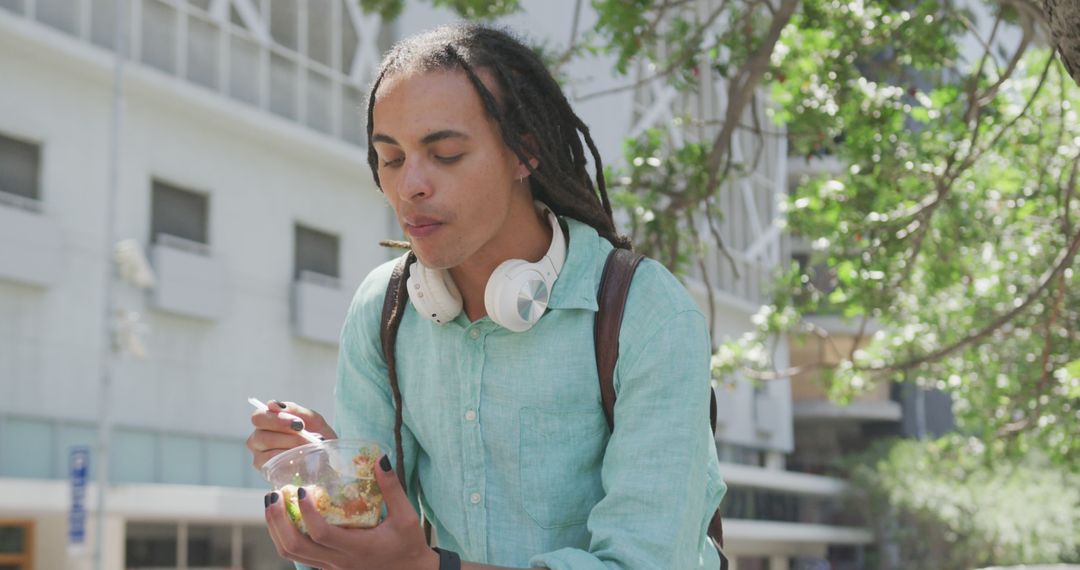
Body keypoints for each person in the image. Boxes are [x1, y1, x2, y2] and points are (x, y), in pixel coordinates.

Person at [246, 23, 726, 570]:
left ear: (525, 152)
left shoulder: (649, 315)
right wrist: (330, 479)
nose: (410, 187)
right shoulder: (382, 309)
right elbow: (376, 550)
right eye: (392, 158)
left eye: (445, 153)